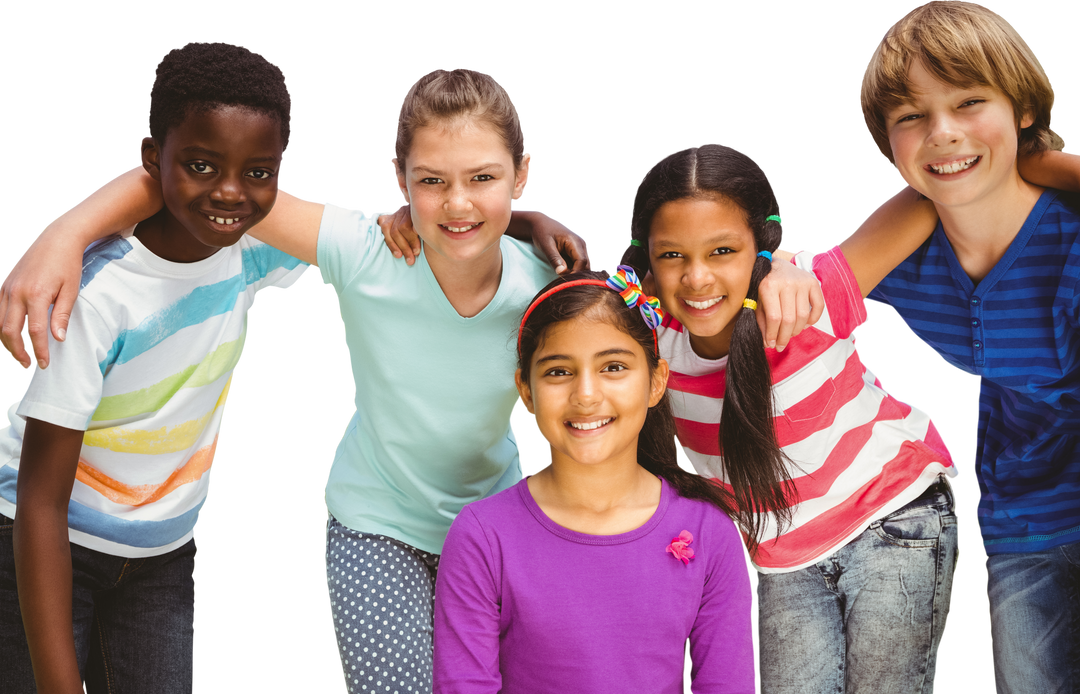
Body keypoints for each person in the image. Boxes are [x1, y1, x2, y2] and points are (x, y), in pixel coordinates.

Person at [0, 65, 590, 692]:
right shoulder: (367, 251)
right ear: (400, 180)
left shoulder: (547, 284)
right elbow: (198, 179)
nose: (458, 201)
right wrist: (62, 233)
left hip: (493, 520)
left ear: (521, 175)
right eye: (431, 181)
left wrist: (524, 220)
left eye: (483, 179)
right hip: (375, 522)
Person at [0, 40, 307, 692]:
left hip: (162, 558)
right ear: (150, 160)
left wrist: (521, 219)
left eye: (258, 172)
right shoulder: (100, 293)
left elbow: (389, 237)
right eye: (200, 164)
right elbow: (40, 500)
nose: (230, 192)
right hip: (47, 543)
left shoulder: (253, 248)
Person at [617, 140, 964, 694]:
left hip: (890, 514)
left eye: (722, 251)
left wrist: (787, 262)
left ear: (758, 248)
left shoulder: (806, 293)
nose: (698, 278)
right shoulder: (650, 345)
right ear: (649, 265)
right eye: (673, 255)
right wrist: (526, 217)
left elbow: (924, 203)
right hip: (776, 558)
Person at [855, 3, 1079, 691]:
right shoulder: (904, 261)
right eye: (912, 116)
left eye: (969, 102)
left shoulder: (1068, 237)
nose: (943, 133)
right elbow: (790, 290)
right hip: (1027, 513)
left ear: (1020, 108)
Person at [433, 268, 756, 693]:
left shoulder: (710, 534)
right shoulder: (482, 536)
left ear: (656, 381)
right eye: (558, 372)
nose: (586, 394)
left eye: (614, 366)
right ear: (525, 391)